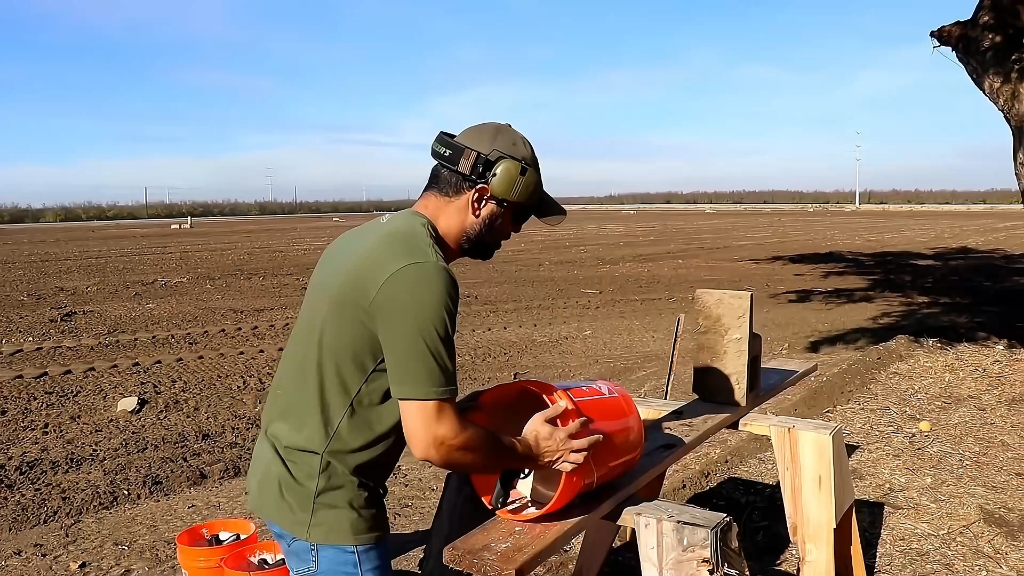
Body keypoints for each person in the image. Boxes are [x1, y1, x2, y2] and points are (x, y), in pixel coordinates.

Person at [246, 122, 603, 576]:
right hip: (328, 509)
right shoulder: (421, 273)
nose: (516, 230)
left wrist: (468, 411)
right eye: (517, 214)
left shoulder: (366, 238)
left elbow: (362, 375)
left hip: (282, 479)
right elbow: (433, 441)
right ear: (479, 199)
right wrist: (531, 450)